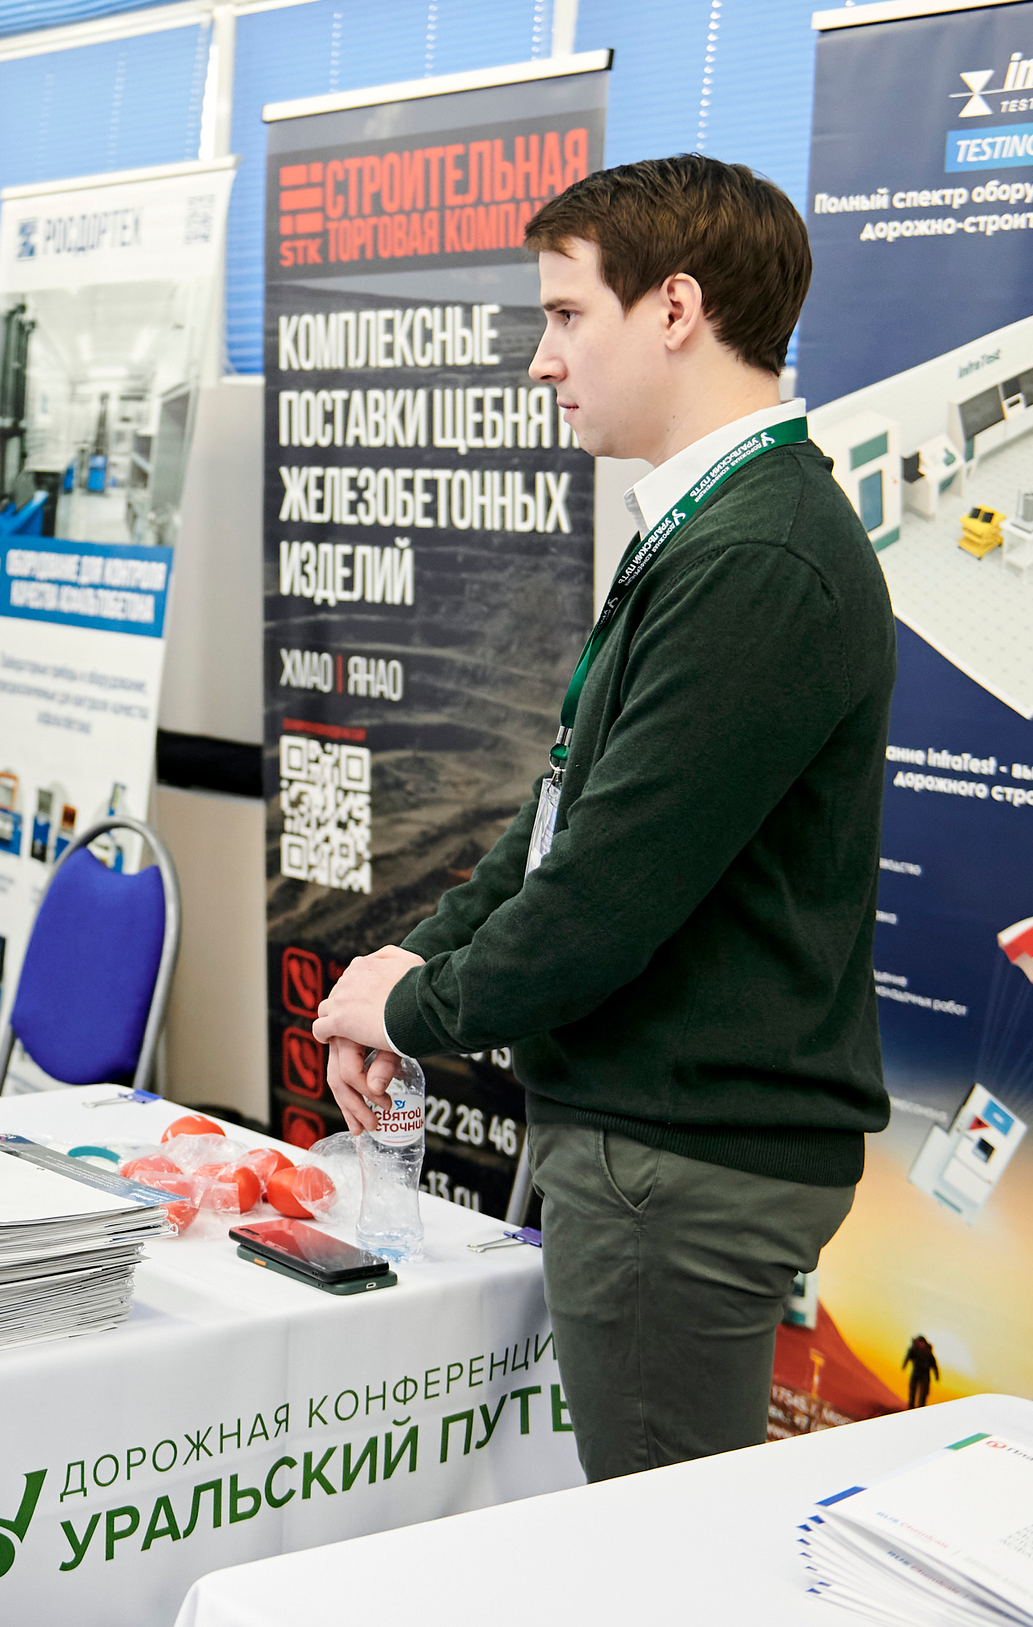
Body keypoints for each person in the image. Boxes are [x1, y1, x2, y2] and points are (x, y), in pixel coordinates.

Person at [309, 154, 897, 1482]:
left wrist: (412, 1010)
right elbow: (565, 817)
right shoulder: (709, 529)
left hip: (681, 1157)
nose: (542, 358)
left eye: (567, 314)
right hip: (658, 1143)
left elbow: (603, 897)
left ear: (675, 308)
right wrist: (404, 969)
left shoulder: (758, 554)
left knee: (658, 1547)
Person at [904, 1335, 940, 1409]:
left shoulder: (928, 1352)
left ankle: (921, 1408)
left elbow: (934, 1365)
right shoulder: (914, 1350)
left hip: (925, 1376)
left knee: (924, 1394)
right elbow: (908, 1357)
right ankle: (911, 1406)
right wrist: (904, 1365)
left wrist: (936, 1375)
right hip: (916, 1373)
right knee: (912, 1391)